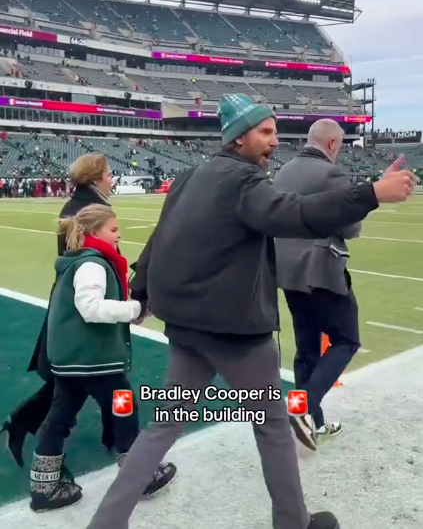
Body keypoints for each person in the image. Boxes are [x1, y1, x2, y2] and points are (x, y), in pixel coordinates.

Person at [86, 94, 417, 529]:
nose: (274, 141)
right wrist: (372, 193)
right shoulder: (243, 182)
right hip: (236, 331)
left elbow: (157, 241)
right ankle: (293, 522)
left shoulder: (189, 177)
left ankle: (105, 523)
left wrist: (141, 293)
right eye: (265, 132)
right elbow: (297, 214)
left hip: (187, 326)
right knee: (272, 426)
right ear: (239, 137)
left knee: (163, 427)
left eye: (275, 132)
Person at [29, 204, 176, 512]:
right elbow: (91, 308)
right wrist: (134, 309)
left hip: (72, 360)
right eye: (113, 229)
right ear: (94, 233)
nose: (119, 233)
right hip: (93, 360)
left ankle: (44, 486)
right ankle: (140, 475)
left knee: (60, 418)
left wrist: (131, 312)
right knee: (123, 409)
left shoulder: (82, 262)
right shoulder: (93, 264)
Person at [273, 123, 406, 441]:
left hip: (287, 272)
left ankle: (311, 421)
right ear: (332, 142)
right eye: (341, 145)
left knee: (307, 351)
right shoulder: (330, 174)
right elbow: (350, 228)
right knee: (346, 340)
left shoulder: (283, 172)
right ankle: (303, 408)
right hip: (319, 270)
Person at [1, 153, 117, 465]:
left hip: (72, 298)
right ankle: (120, 439)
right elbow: (95, 259)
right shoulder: (92, 209)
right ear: (95, 177)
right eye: (107, 173)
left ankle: (23, 422)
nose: (111, 177)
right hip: (85, 301)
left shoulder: (76, 204)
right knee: (106, 372)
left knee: (70, 379)